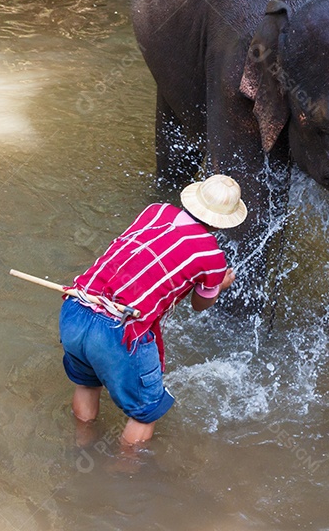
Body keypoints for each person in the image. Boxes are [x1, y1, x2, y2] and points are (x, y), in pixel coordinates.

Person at [58, 174, 247, 446]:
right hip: (118, 330)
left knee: (87, 383)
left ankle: (82, 450)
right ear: (225, 220)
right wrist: (221, 285)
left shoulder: (155, 211)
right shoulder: (212, 257)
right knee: (146, 412)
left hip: (76, 305)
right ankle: (124, 474)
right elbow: (199, 304)